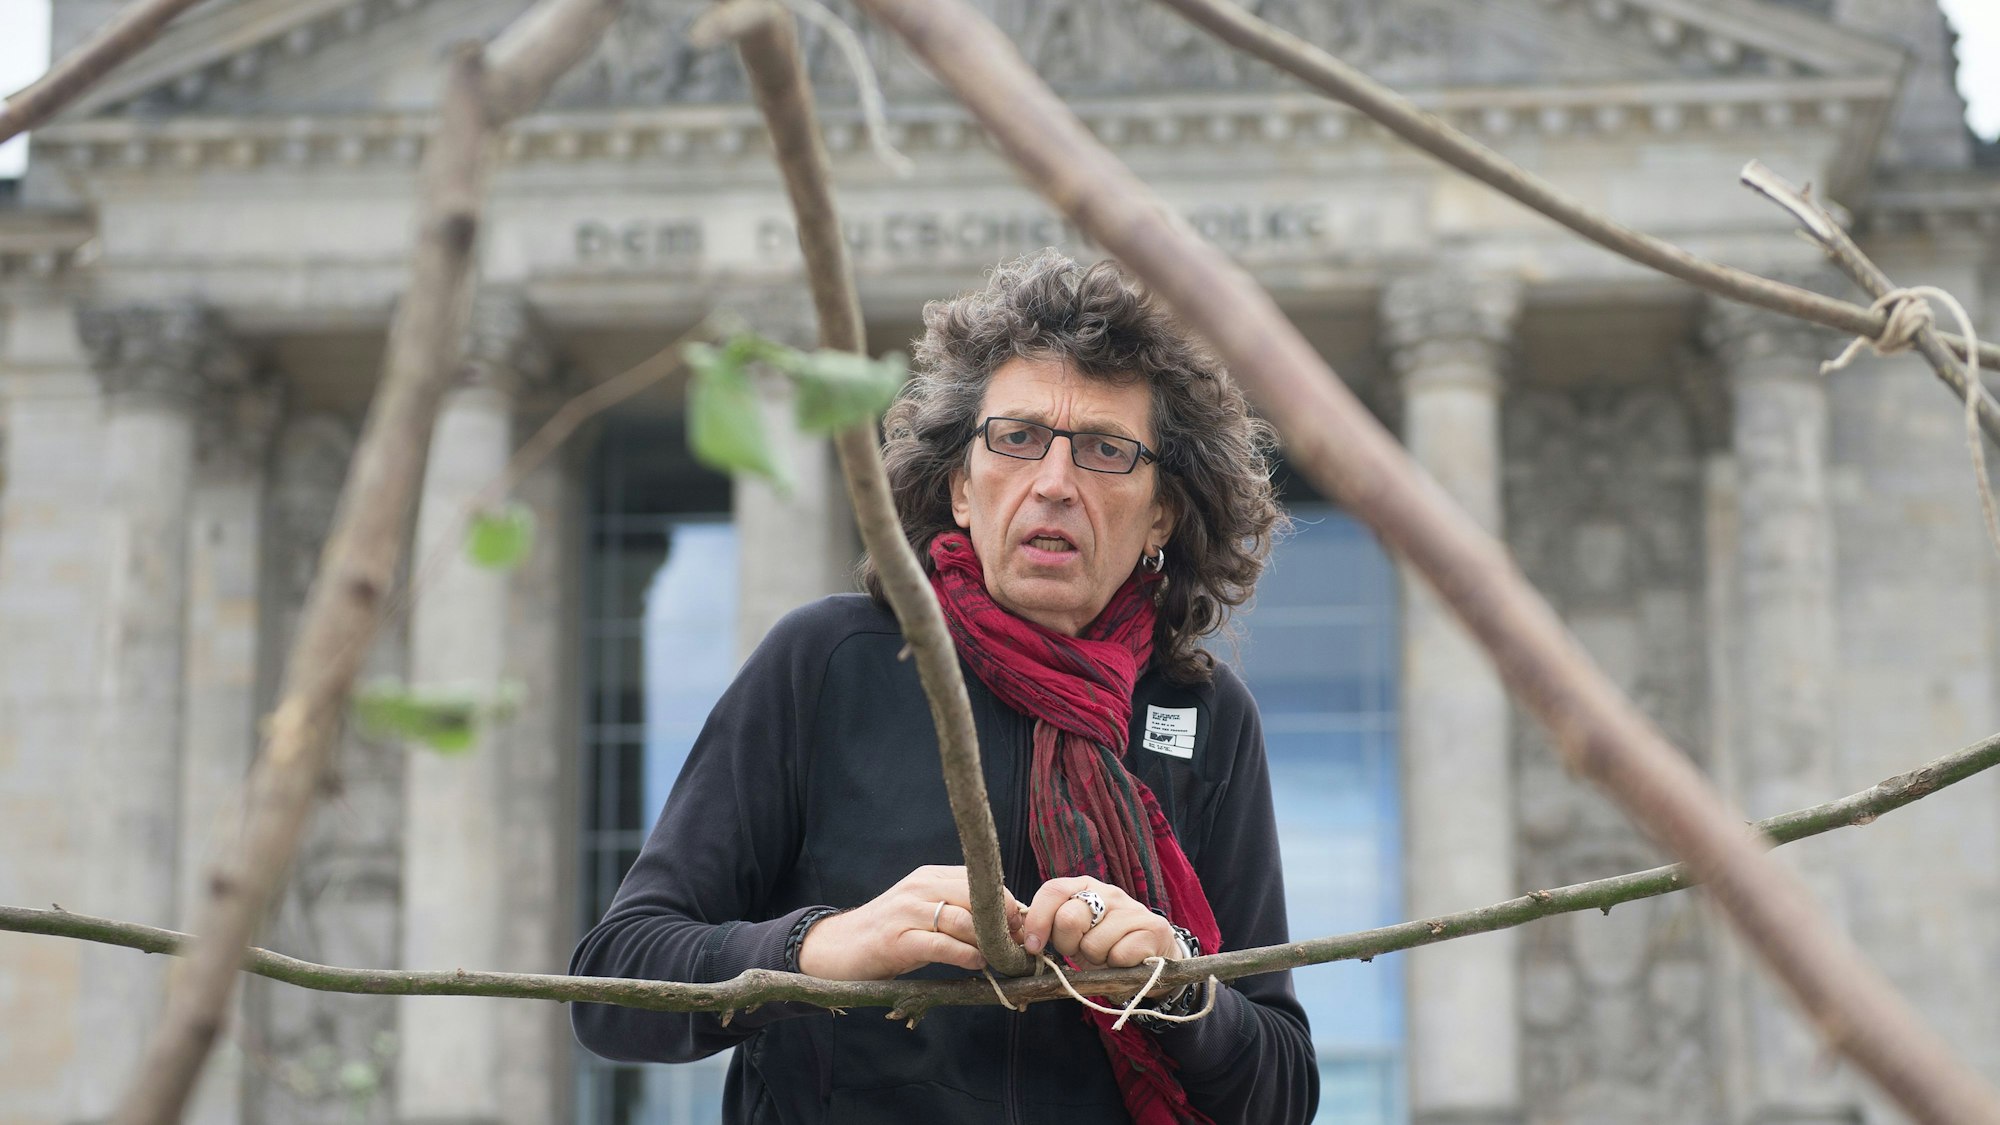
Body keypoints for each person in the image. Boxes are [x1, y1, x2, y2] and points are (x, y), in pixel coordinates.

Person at [570, 250, 1318, 1124]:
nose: (1053, 482)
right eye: (1017, 438)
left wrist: (1179, 984)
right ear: (961, 485)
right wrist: (818, 946)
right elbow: (614, 984)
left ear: (1162, 512)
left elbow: (1283, 1093)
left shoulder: (1207, 715)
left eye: (1106, 450)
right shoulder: (828, 661)